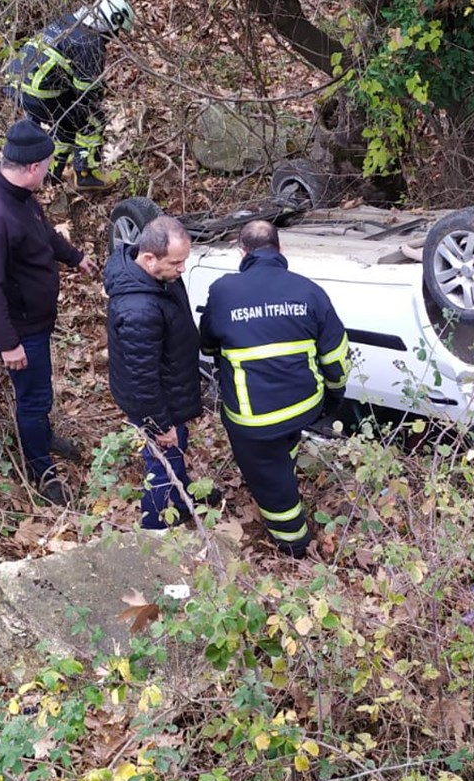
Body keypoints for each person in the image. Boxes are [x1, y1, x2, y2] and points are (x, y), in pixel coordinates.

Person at [0, 119, 98, 505]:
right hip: (20, 331)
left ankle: (43, 435)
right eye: (51, 163)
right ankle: (43, 470)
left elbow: (42, 232)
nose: (53, 169)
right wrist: (8, 344)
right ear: (34, 167)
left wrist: (74, 257)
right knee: (32, 399)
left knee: (38, 393)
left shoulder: (18, 196)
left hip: (33, 321)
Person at [200, 220, 350, 557]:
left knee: (272, 484)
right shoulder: (308, 290)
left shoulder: (223, 291)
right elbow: (337, 357)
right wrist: (332, 398)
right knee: (284, 448)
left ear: (242, 252)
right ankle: (286, 469)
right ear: (280, 250)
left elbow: (207, 345)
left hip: (254, 419)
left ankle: (293, 543)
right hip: (305, 405)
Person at [103, 215, 221, 529]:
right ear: (149, 258)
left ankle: (184, 500)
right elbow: (142, 378)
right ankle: (153, 527)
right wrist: (161, 424)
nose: (182, 269)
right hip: (157, 403)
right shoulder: (139, 309)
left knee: (174, 452)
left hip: (171, 388)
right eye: (176, 263)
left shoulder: (158, 277)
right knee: (161, 465)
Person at [2, 0, 135, 190]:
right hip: (37, 91)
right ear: (111, 22)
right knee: (93, 119)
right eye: (117, 31)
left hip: (16, 81)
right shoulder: (90, 42)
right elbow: (86, 91)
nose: (115, 37)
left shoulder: (68, 21)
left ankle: (52, 174)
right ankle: (86, 174)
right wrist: (98, 96)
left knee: (67, 123)